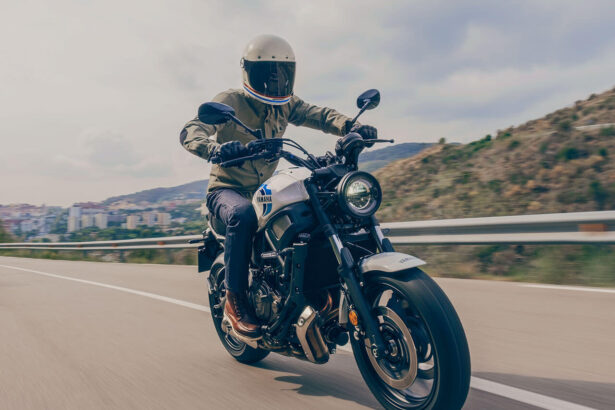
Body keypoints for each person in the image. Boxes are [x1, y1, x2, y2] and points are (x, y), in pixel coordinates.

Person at [180, 34, 377, 339]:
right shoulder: (230, 101)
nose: (275, 81)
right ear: (249, 72)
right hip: (227, 191)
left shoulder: (285, 105)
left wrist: (350, 127)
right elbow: (193, 129)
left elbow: (318, 115)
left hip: (264, 189)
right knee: (242, 214)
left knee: (315, 206)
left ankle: (319, 292)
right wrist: (214, 149)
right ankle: (235, 303)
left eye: (282, 73)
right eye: (268, 73)